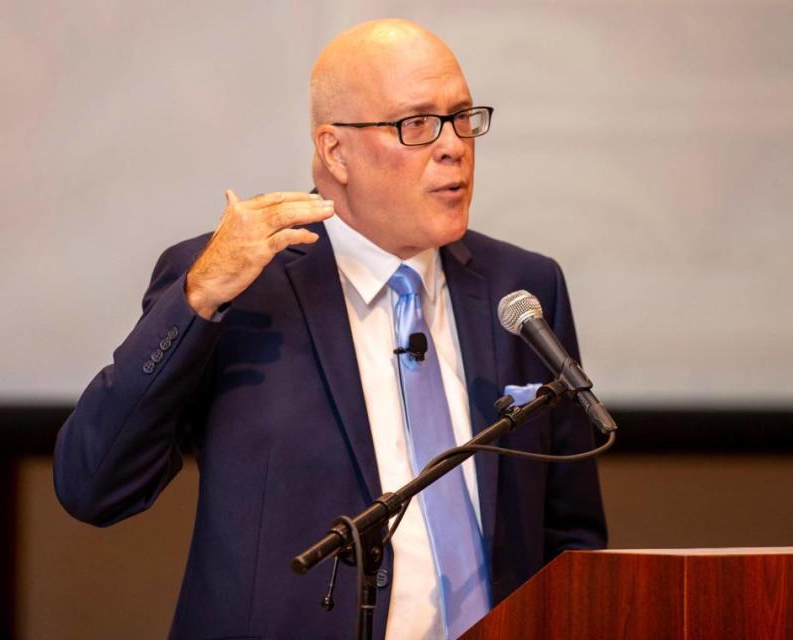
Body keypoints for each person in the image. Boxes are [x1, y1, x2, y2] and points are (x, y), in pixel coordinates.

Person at [54, 18, 606, 640]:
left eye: (461, 117)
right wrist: (196, 301)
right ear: (334, 151)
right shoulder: (239, 285)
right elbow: (92, 485)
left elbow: (570, 535)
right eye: (416, 124)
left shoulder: (523, 288)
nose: (454, 146)